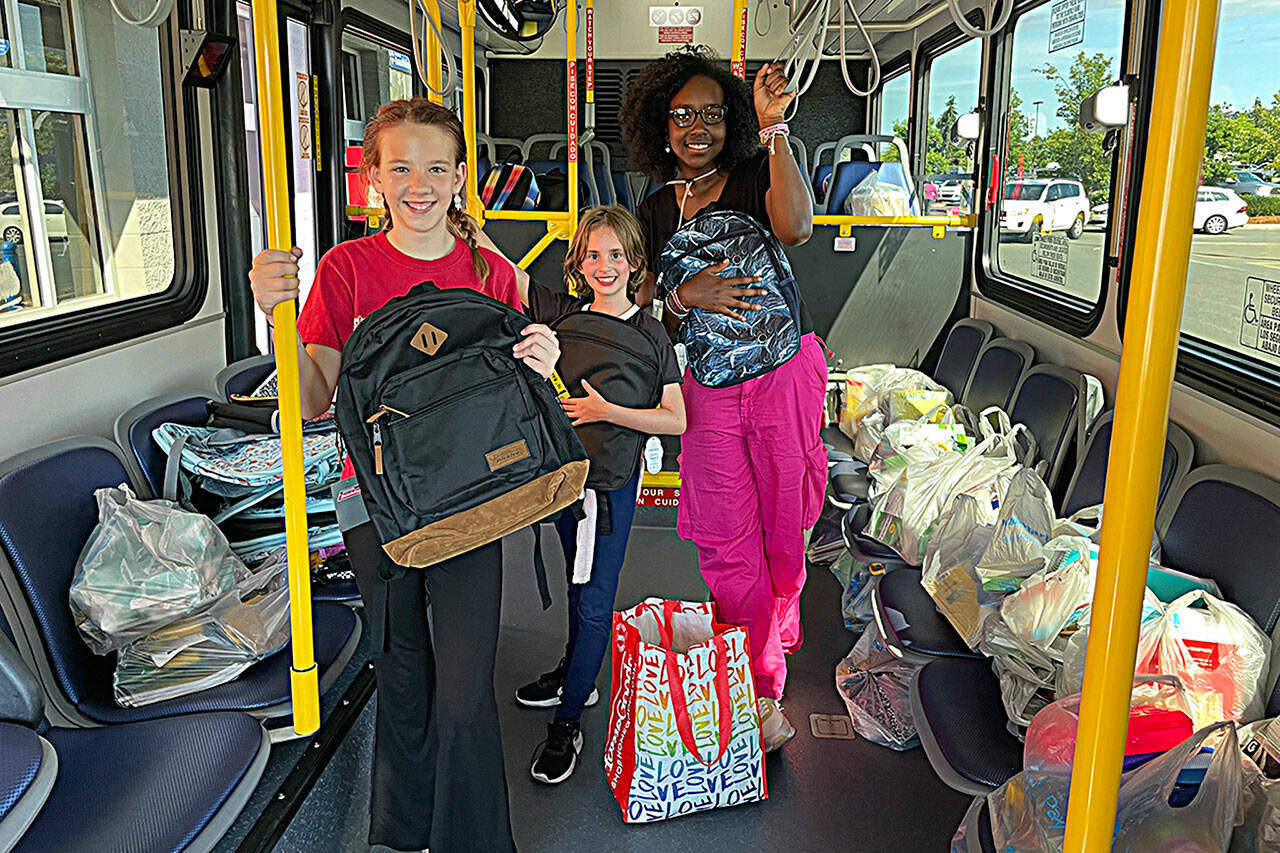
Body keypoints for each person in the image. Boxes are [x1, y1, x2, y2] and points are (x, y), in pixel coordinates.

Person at [249, 97, 559, 853]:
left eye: (436, 168)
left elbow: (516, 400)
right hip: (373, 502)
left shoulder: (492, 273)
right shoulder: (345, 270)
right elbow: (316, 396)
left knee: (462, 691)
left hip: (465, 503)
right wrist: (275, 318)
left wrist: (543, 366)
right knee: (403, 669)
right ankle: (403, 829)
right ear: (373, 179)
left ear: (461, 178)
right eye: (400, 167)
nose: (418, 184)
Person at [619, 46, 829, 750]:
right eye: (682, 114)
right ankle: (759, 678)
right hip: (708, 388)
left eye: (711, 111)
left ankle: (779, 613)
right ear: (661, 124)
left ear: (730, 119)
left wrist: (775, 131)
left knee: (783, 525)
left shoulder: (751, 172)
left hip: (781, 374)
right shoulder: (651, 209)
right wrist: (688, 293)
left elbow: (796, 228)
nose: (696, 125)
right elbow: (646, 309)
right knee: (725, 537)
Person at [515, 205, 686, 785]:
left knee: (594, 602)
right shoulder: (562, 316)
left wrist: (604, 411)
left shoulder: (651, 332)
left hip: (610, 489)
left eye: (615, 254)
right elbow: (504, 271)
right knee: (575, 582)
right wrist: (461, 216)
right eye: (592, 254)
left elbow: (676, 419)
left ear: (635, 261)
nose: (604, 265)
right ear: (577, 263)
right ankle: (575, 675)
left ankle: (567, 721)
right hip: (563, 481)